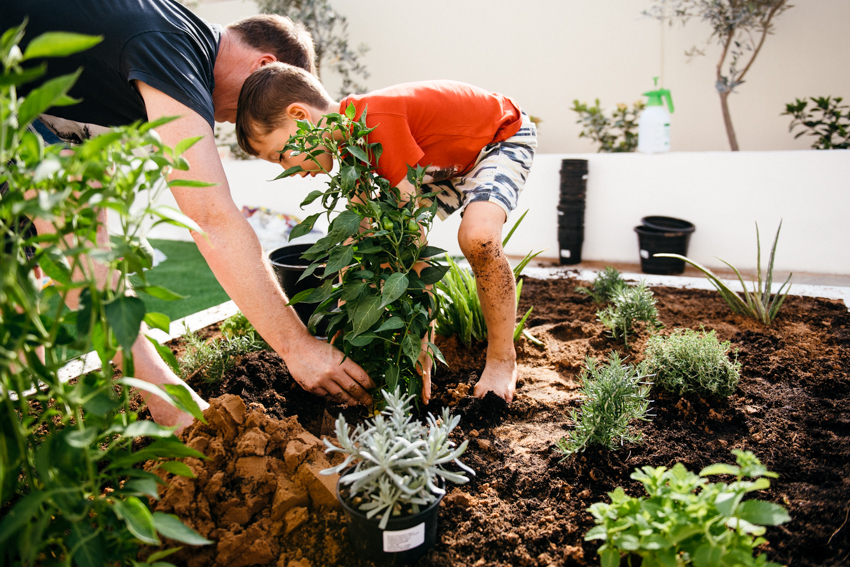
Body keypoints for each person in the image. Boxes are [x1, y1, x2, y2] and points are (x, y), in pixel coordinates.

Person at [0, 0, 375, 432]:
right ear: (263, 68)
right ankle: (165, 404)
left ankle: (163, 402)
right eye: (245, 111)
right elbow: (211, 218)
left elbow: (81, 245)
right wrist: (297, 347)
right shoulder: (173, 48)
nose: (231, 124)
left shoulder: (147, 56)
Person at [235, 63, 537, 403]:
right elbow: (360, 230)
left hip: (497, 139)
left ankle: (502, 359)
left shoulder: (376, 121)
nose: (287, 169)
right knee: (377, 241)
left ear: (300, 116)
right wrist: (345, 314)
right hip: (442, 164)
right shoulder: (353, 147)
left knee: (478, 238)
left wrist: (421, 333)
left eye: (281, 155)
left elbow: (411, 237)